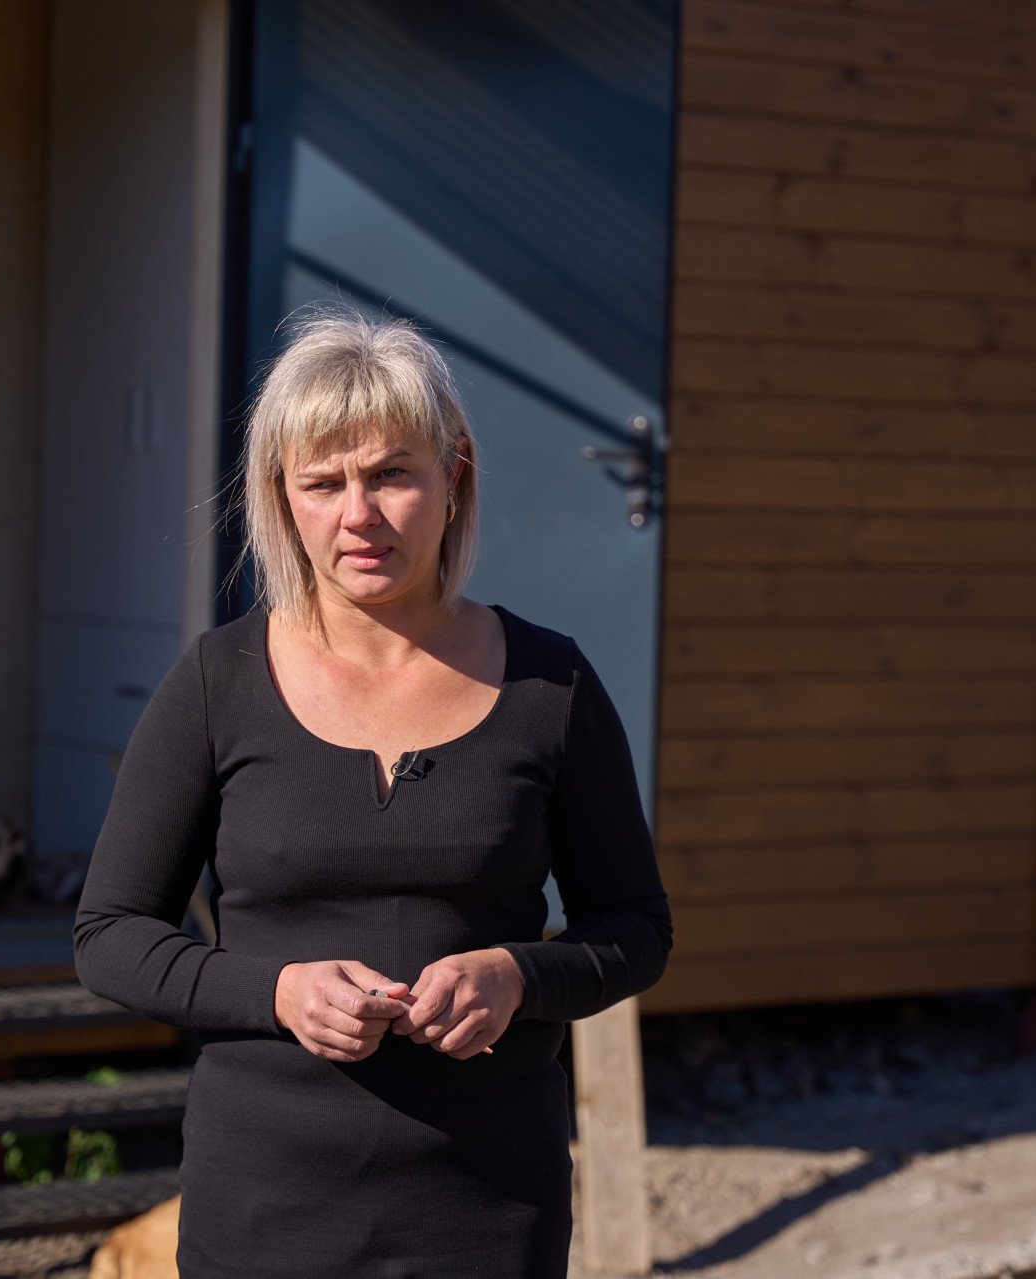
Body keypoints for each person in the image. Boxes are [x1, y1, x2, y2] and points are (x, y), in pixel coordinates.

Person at [72, 308, 674, 1279]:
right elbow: (109, 934)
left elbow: (635, 927)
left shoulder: (549, 686)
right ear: (284, 499)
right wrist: (276, 989)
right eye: (324, 482)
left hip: (487, 1205)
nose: (360, 513)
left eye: (392, 472)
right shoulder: (217, 682)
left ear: (454, 474)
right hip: (265, 1205)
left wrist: (521, 976)